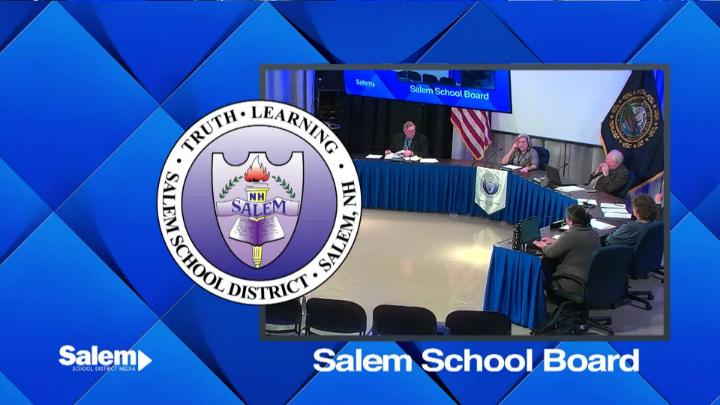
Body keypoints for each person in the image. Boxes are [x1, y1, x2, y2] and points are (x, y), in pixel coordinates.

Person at [533, 205, 601, 298]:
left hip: (573, 283)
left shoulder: (570, 236)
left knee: (545, 263)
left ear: (570, 220)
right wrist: (555, 241)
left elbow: (550, 252)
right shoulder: (593, 233)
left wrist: (542, 245)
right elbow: (577, 244)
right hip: (590, 280)